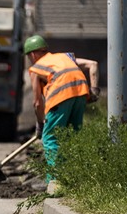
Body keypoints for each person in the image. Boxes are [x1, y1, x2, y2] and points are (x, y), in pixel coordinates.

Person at [24, 34, 98, 177]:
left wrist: (40, 125)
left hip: (60, 97)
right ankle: (75, 179)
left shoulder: (36, 68)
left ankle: (55, 182)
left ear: (32, 54)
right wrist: (94, 90)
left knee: (50, 138)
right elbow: (93, 64)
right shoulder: (65, 57)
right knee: (72, 138)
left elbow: (37, 103)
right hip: (81, 94)